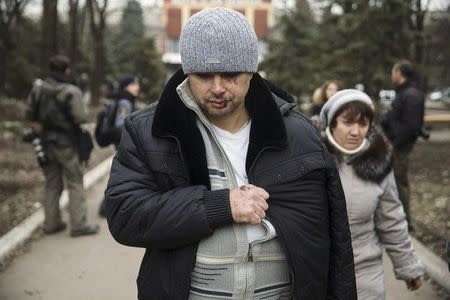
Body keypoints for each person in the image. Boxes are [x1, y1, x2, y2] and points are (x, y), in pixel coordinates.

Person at [105, 8, 356, 300]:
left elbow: (334, 241)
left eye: (230, 74)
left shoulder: (298, 134)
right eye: (203, 75)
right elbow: (126, 214)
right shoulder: (150, 131)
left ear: (251, 71)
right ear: (187, 72)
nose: (218, 88)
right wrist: (220, 205)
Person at [319, 89, 426, 299]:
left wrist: (408, 266)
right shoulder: (311, 161)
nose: (355, 131)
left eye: (362, 124)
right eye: (348, 122)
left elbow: (392, 218)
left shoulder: (378, 163)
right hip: (319, 275)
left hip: (365, 275)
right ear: (331, 123)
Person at [26, 55, 99, 237]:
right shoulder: (71, 91)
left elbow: (30, 113)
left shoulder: (38, 89)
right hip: (67, 142)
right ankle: (78, 225)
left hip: (45, 141)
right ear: (66, 70)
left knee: (52, 183)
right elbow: (81, 117)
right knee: (74, 181)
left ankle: (51, 223)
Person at [381, 60, 425, 229]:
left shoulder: (411, 95)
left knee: (400, 182)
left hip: (400, 146)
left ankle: (405, 222)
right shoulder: (403, 93)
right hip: (395, 144)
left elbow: (411, 126)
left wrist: (395, 143)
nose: (392, 75)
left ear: (399, 73)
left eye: (393, 71)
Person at [98, 75, 140, 217]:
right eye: (134, 84)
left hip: (123, 144)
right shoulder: (125, 103)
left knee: (122, 175)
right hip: (125, 144)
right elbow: (121, 125)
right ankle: (107, 206)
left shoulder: (124, 100)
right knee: (122, 176)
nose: (137, 87)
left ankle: (109, 205)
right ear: (126, 87)